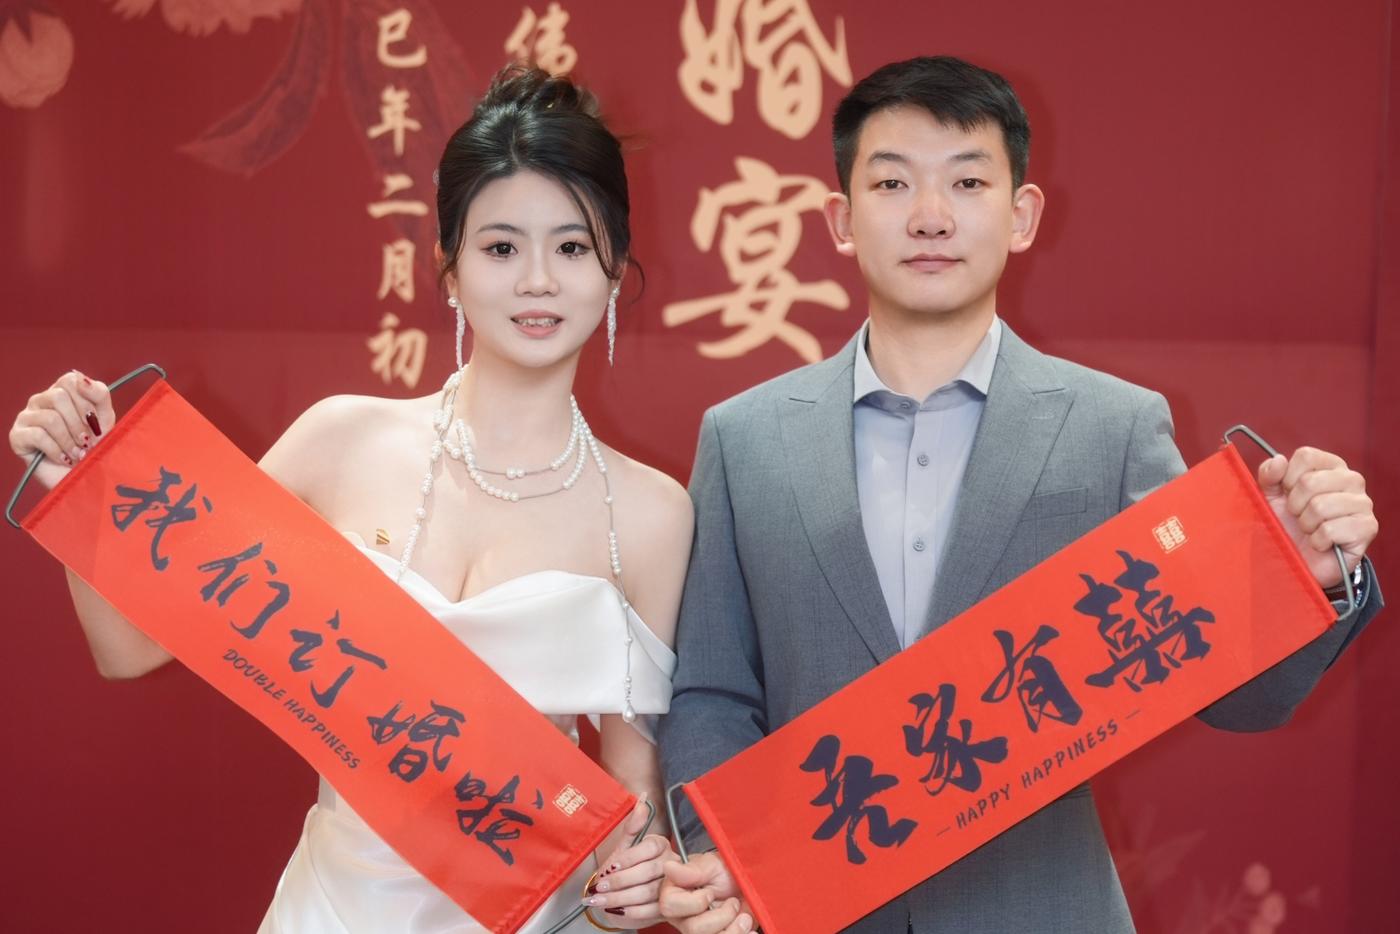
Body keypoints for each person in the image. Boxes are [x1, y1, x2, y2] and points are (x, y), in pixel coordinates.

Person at [657, 56, 1382, 934]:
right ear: (841, 221)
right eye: (892, 183)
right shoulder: (744, 438)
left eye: (967, 182)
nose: (930, 216)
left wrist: (1302, 574)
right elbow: (713, 694)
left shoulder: (1112, 426)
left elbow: (1236, 695)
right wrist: (726, 861)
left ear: (1022, 214)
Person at [8, 64, 688, 933]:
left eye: (572, 247)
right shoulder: (342, 441)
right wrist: (84, 480)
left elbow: (631, 782)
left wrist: (631, 884)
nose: (537, 281)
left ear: (615, 267)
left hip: (533, 917)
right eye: (500, 247)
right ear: (448, 267)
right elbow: (131, 648)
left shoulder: (653, 514)